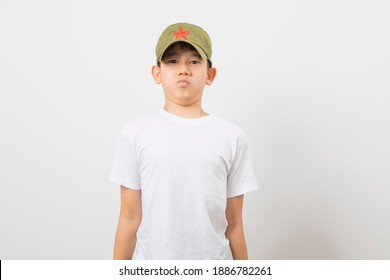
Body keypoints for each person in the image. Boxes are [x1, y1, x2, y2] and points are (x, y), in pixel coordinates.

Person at [110, 22, 259, 260]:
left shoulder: (231, 136)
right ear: (156, 73)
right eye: (172, 61)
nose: (183, 70)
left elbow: (234, 224)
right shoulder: (135, 133)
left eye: (194, 61)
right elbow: (129, 218)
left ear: (210, 74)